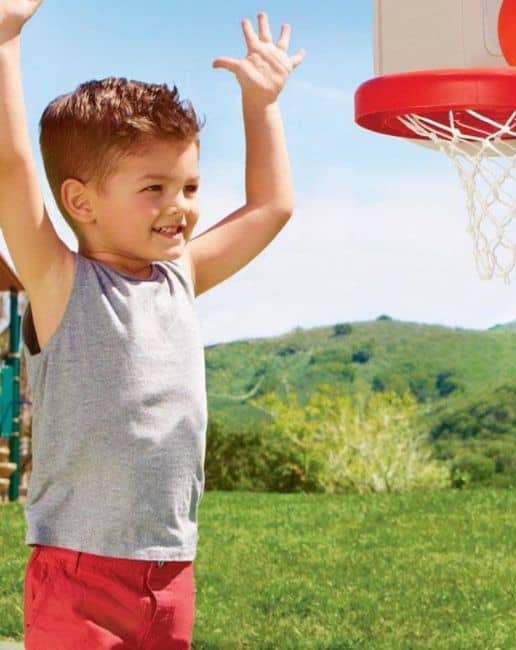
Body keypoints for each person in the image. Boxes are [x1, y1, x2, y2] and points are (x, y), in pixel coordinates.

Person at [0, 2, 304, 646]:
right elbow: (12, 169)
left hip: (170, 571)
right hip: (79, 572)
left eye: (190, 187)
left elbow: (272, 206)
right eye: (154, 189)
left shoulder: (179, 276)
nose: (181, 208)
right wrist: (4, 37)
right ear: (81, 201)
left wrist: (262, 105)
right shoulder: (62, 285)